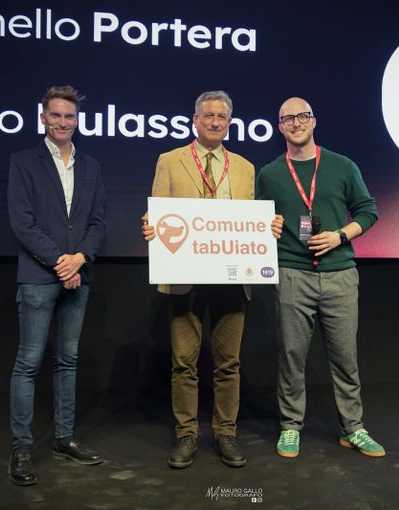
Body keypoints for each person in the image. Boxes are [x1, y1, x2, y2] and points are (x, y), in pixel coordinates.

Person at [256, 97, 385, 459]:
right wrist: (268, 226)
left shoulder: (342, 166)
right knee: (291, 355)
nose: (296, 123)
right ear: (279, 127)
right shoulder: (269, 173)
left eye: (302, 116)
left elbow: (368, 211)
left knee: (345, 356)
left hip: (340, 273)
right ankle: (290, 426)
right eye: (288, 119)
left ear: (314, 121)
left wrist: (340, 235)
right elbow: (258, 220)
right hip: (291, 273)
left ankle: (353, 428)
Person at [141, 91, 254, 468]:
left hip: (231, 278)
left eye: (222, 117)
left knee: (229, 363)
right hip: (184, 277)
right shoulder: (169, 160)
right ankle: (186, 434)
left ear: (229, 123)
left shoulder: (245, 167)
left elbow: (249, 221)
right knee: (184, 362)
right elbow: (157, 212)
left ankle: (225, 433)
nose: (215, 122)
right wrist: (151, 227)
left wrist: (266, 228)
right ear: (195, 120)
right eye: (208, 116)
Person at [7, 85, 106, 485]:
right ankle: (21, 449)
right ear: (43, 118)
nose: (63, 122)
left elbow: (98, 222)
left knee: (68, 361)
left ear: (76, 120)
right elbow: (22, 222)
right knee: (28, 363)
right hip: (38, 277)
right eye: (56, 115)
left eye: (69, 116)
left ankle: (64, 439)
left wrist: (79, 258)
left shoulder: (92, 166)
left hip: (79, 275)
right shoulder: (22, 162)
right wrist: (61, 262)